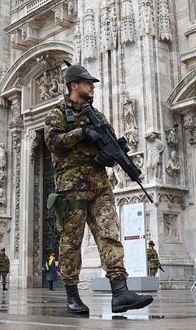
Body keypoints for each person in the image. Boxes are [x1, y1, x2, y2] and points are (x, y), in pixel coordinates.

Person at [44, 64, 153, 315]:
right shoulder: (57, 114)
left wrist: (109, 155)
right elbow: (53, 143)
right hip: (71, 189)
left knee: (109, 234)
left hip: (99, 185)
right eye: (87, 83)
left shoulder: (99, 116)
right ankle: (72, 295)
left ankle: (120, 292)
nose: (92, 87)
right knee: (71, 242)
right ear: (74, 86)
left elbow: (110, 145)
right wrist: (82, 133)